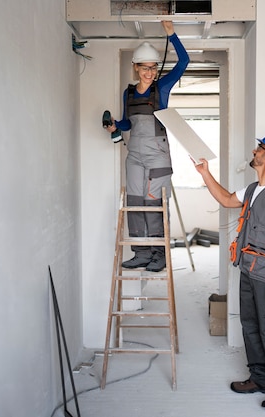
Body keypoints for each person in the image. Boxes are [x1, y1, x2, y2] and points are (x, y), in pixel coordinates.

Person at [194, 131, 265, 412]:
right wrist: (205, 173)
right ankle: (261, 378)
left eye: (260, 148)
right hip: (248, 270)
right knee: (251, 326)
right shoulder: (253, 190)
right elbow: (227, 200)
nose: (254, 151)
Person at [104, 20, 189, 272]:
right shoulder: (128, 93)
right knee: (134, 201)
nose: (150, 73)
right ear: (136, 68)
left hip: (157, 156)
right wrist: (114, 126)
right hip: (135, 155)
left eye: (153, 68)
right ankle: (141, 252)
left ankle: (158, 253)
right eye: (145, 68)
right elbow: (128, 124)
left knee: (154, 204)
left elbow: (183, 63)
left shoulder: (161, 88)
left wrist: (172, 34)